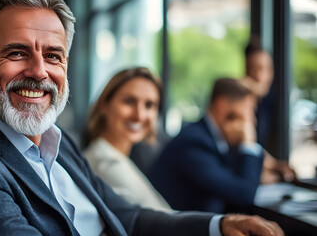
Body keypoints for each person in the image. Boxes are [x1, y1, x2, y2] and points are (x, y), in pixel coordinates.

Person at [0, 0, 284, 235]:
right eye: (17, 52)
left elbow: (128, 216)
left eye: (53, 56)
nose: (39, 71)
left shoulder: (56, 141)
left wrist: (219, 227)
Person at [150, 78, 264, 214]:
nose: (253, 120)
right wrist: (249, 144)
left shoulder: (211, 140)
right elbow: (244, 194)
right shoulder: (194, 143)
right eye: (248, 109)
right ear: (222, 105)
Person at [83, 67, 172, 212]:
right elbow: (160, 222)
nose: (140, 115)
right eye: (129, 101)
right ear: (104, 105)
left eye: (149, 105)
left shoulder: (117, 157)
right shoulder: (106, 163)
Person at [242, 36, 296, 184]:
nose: (260, 76)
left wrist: (275, 165)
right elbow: (241, 148)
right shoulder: (239, 103)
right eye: (254, 68)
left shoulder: (268, 102)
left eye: (266, 69)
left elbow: (253, 147)